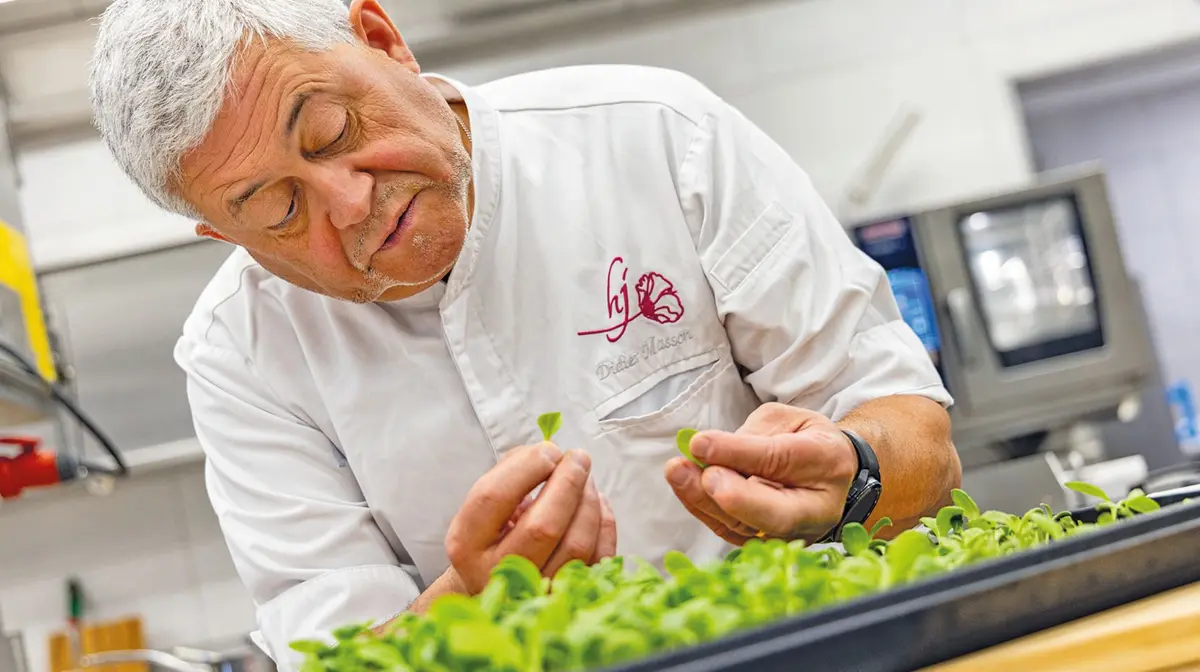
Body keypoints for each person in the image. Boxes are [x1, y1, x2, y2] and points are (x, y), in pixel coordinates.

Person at [89, 0, 961, 666]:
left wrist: (856, 476)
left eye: (333, 130)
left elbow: (916, 438)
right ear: (230, 239)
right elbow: (339, 652)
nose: (350, 203)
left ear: (382, 38)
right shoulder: (239, 356)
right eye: (280, 209)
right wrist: (469, 603)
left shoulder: (656, 135)